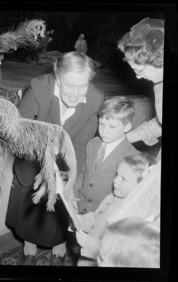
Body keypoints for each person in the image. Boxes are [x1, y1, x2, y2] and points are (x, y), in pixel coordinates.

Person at [5, 52, 105, 265]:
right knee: (30, 203)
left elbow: (79, 145)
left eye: (83, 86)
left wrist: (69, 174)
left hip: (64, 158)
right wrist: (45, 156)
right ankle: (29, 249)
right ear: (58, 78)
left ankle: (59, 250)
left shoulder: (95, 99)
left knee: (61, 203)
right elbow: (20, 131)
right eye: (70, 86)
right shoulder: (40, 88)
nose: (76, 94)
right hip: (32, 155)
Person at [72, 153, 157, 266]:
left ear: (140, 187)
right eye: (117, 174)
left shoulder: (133, 218)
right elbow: (96, 218)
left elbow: (119, 253)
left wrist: (90, 243)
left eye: (123, 179)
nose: (115, 181)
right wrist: (80, 221)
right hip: (87, 254)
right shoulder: (112, 197)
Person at [76, 96, 139, 214]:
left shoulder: (133, 157)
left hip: (103, 215)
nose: (104, 131)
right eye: (101, 124)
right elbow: (83, 175)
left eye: (112, 126)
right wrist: (73, 197)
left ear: (127, 127)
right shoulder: (93, 144)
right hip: (80, 207)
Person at [118, 17, 164, 161]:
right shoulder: (159, 84)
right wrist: (124, 139)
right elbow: (160, 123)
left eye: (140, 70)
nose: (138, 77)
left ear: (160, 59)